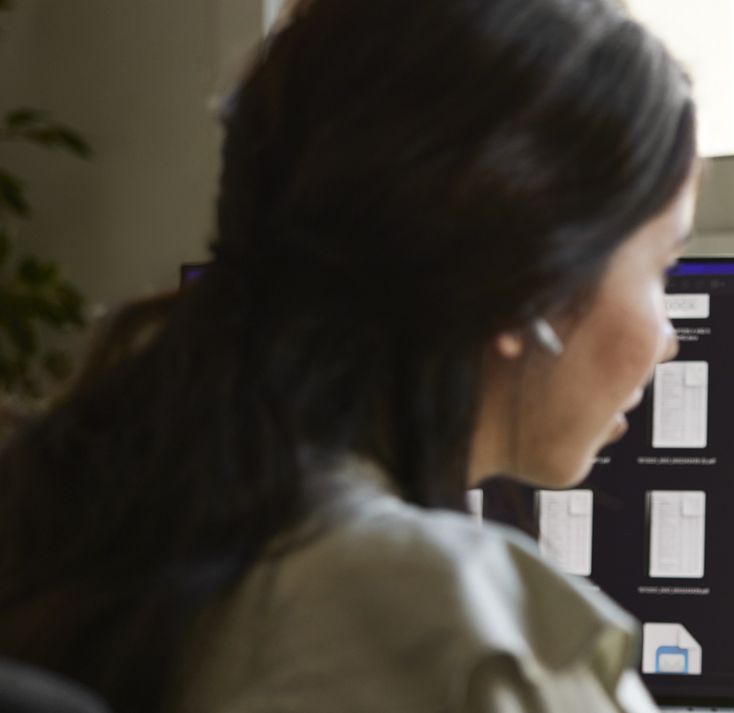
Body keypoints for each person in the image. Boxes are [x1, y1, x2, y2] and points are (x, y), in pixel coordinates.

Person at [0, 0, 697, 710]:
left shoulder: (69, 513)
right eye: (662, 267)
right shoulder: (453, 631)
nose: (667, 338)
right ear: (531, 288)